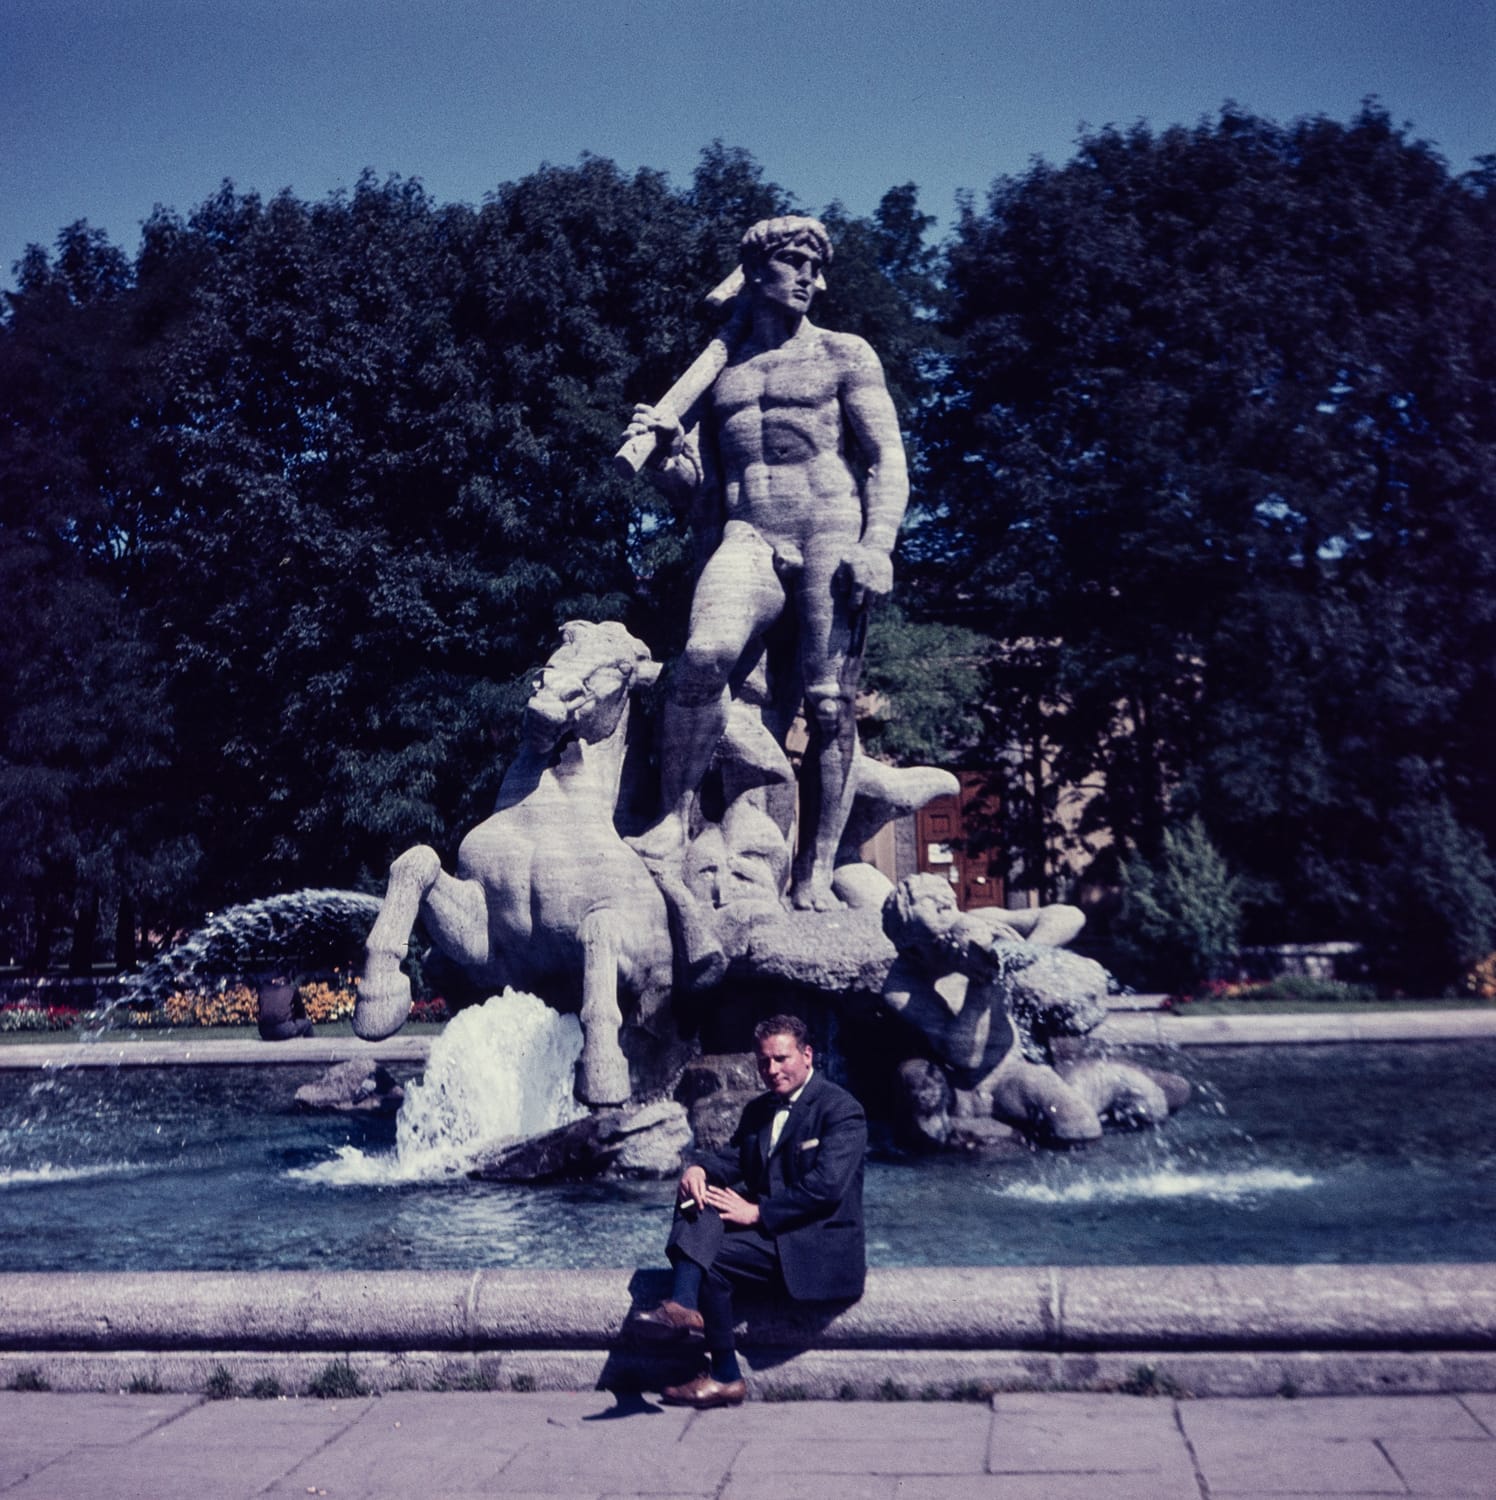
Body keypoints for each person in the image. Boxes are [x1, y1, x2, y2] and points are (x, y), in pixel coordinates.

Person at [623, 215, 909, 912]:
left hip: (830, 531)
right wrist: (666, 457)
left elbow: (886, 458)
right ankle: (671, 821)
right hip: (749, 534)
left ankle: (812, 871)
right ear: (755, 274)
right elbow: (699, 497)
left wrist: (879, 542)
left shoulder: (846, 355)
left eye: (816, 264)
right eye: (793, 262)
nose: (810, 277)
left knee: (829, 705)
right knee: (702, 655)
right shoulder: (723, 377)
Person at [628, 1013, 867, 1408]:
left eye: (781, 1059)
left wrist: (758, 1214)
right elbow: (734, 1158)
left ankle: (720, 1368)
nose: (771, 1070)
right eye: (763, 1062)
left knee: (705, 1258)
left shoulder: (841, 1110)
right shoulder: (759, 1111)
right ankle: (685, 1309)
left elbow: (826, 1188)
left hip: (813, 1244)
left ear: (807, 1055)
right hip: (774, 1239)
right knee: (696, 1198)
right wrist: (698, 1169)